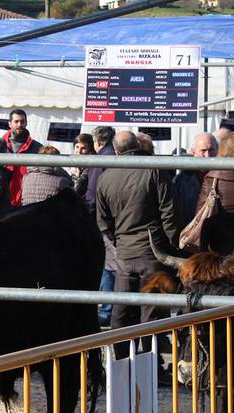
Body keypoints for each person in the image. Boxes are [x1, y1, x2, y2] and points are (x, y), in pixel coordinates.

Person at [96, 131, 179, 353]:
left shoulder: (106, 176)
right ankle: (152, 364)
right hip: (152, 251)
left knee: (122, 309)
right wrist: (172, 246)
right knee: (151, 310)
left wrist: (118, 240)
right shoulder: (154, 170)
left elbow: (102, 220)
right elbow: (168, 212)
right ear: (138, 146)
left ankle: (121, 359)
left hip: (124, 251)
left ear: (115, 150)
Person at [83, 126, 117, 327]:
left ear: (97, 142)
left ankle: (106, 309)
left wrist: (87, 214)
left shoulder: (100, 160)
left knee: (107, 266)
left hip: (102, 219)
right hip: (117, 216)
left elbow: (92, 192)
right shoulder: (117, 156)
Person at [173, 132, 217, 229]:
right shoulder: (181, 181)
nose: (208, 155)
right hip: (191, 235)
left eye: (211, 150)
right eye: (203, 150)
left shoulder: (223, 177)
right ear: (194, 153)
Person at [1, 109, 43, 206]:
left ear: (26, 123)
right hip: (2, 200)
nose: (19, 124)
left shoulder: (37, 148)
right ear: (10, 124)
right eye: (16, 121)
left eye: (22, 121)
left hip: (26, 201)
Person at [71, 133, 95, 201]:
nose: (79, 151)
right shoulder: (75, 162)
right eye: (77, 147)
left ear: (90, 149)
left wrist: (75, 177)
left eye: (83, 148)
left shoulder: (91, 164)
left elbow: (77, 189)